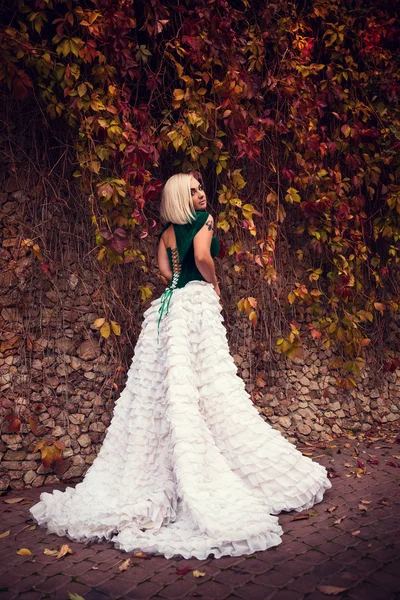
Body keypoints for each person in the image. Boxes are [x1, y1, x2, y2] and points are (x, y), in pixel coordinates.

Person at [29, 172, 332, 560]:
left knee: (174, 385)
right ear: (180, 198)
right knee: (203, 381)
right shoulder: (203, 222)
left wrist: (180, 282)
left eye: (200, 187)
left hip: (169, 309)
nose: (201, 193)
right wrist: (214, 284)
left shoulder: (168, 233)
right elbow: (204, 257)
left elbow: (164, 269)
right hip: (196, 307)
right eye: (192, 191)